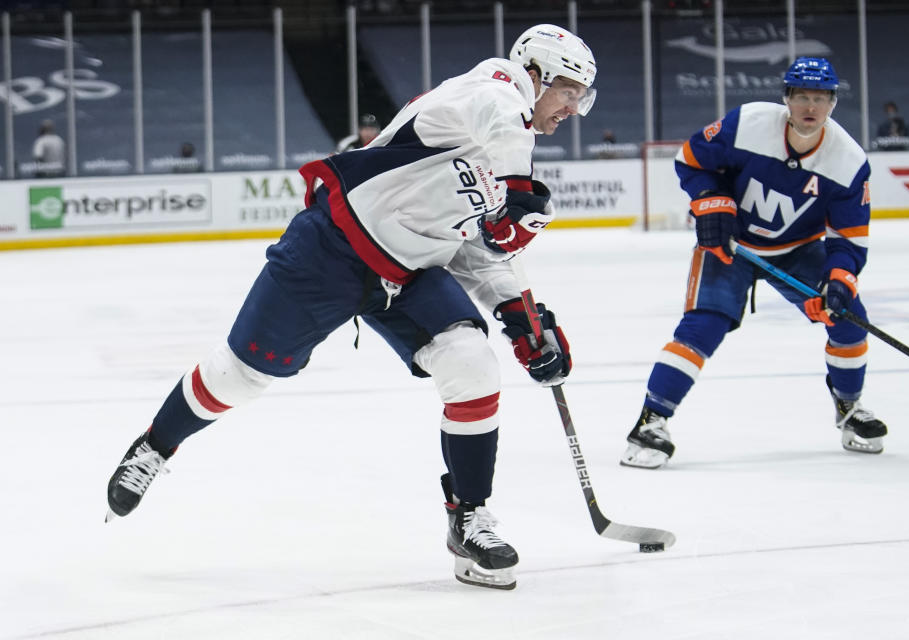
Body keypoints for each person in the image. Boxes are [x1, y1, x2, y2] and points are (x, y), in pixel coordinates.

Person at [105, 24, 596, 591]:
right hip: (333, 247)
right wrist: (518, 187)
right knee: (241, 374)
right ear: (535, 73)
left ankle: (468, 519)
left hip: (409, 272)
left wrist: (523, 319)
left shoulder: (510, 147)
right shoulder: (486, 92)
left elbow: (476, 251)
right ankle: (155, 446)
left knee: (472, 362)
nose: (573, 109)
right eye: (569, 92)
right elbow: (500, 113)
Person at [620, 56, 888, 470]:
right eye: (802, 97)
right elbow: (692, 160)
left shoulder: (848, 162)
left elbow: (849, 239)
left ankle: (849, 408)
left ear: (833, 103)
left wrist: (838, 282)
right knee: (703, 326)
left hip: (798, 250)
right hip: (732, 245)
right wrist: (712, 206)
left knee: (849, 319)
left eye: (820, 98)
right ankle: (651, 421)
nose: (810, 108)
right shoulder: (748, 123)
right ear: (787, 98)